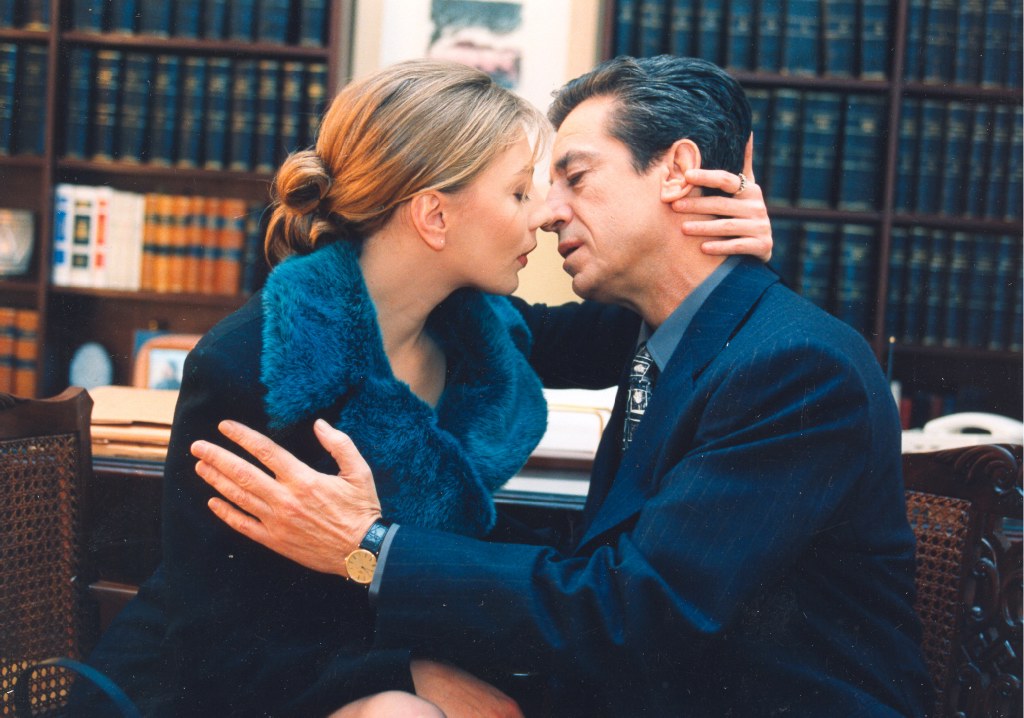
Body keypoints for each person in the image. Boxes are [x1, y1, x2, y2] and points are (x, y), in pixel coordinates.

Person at [194, 55, 933, 717]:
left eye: (572, 178)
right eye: (526, 190)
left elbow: (637, 610)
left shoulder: (793, 367)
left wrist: (372, 547)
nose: (548, 213)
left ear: (678, 170)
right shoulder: (671, 331)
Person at [75, 58, 772, 717]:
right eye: (519, 192)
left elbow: (639, 325)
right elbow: (215, 642)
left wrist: (721, 250)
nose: (542, 215)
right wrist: (401, 675)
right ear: (435, 216)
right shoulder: (254, 362)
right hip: (224, 688)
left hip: (367, 655)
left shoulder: (476, 326)